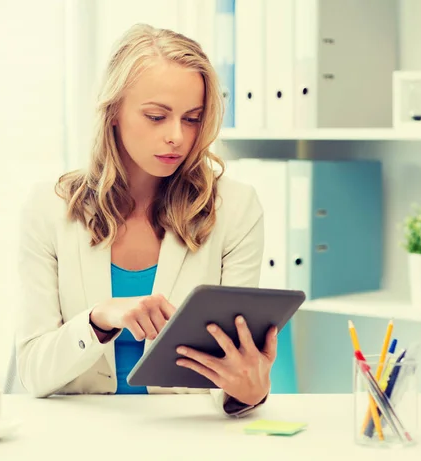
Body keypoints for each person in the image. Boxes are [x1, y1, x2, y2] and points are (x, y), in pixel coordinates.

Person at [15, 23, 277, 417]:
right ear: (114, 112)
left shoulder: (236, 208)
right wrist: (100, 319)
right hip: (77, 431)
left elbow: (232, 371)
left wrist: (247, 391)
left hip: (185, 434)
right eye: (157, 116)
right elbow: (34, 374)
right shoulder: (48, 208)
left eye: (192, 119)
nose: (177, 136)